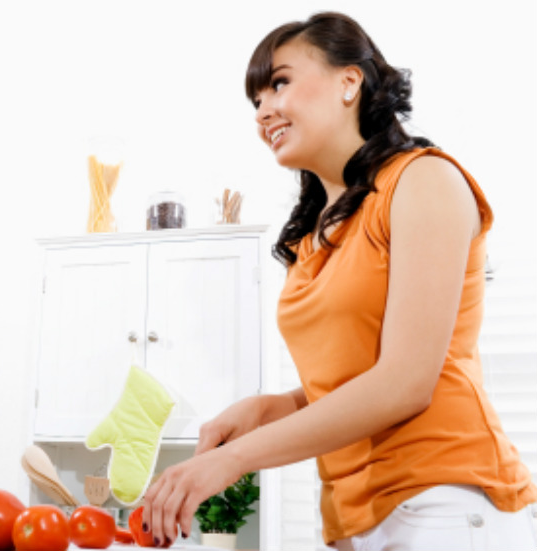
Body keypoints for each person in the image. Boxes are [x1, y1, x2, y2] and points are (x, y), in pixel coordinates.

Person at [141, 12, 537, 550]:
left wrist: (234, 461)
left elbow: (404, 382)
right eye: (255, 101)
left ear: (349, 82)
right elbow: (353, 379)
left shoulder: (423, 180)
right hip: (358, 521)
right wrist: (266, 407)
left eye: (278, 83)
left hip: (447, 503)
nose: (264, 111)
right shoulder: (314, 235)